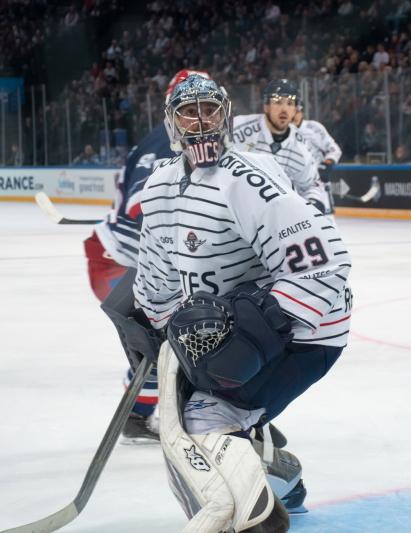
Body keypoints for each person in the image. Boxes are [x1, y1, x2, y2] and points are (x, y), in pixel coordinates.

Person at [133, 74, 351, 532]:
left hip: (312, 329)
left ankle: (261, 517)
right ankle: (283, 479)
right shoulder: (159, 187)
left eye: (209, 110)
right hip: (239, 319)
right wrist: (162, 329)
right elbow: (156, 279)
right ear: (171, 123)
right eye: (188, 112)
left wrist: (253, 331)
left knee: (202, 421)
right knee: (199, 384)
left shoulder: (246, 179)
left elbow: (325, 264)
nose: (200, 122)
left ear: (226, 116)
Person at [84, 69, 211, 443]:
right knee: (171, 338)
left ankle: (144, 413)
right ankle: (189, 416)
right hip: (119, 262)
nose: (199, 114)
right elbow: (143, 207)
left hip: (129, 258)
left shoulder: (187, 141)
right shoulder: (163, 144)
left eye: (206, 105)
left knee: (173, 339)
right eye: (189, 105)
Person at [232, 79, 326, 214]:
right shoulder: (238, 129)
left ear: (295, 110)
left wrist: (313, 206)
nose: (284, 109)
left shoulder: (301, 147)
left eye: (290, 103)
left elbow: (311, 186)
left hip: (274, 216)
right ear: (266, 106)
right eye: (278, 102)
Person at [292, 103, 343, 216]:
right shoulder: (282, 133)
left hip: (317, 184)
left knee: (326, 219)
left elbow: (334, 149)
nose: (294, 116)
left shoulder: (313, 128)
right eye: (292, 112)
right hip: (294, 185)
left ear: (302, 113)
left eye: (297, 112)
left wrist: (327, 164)